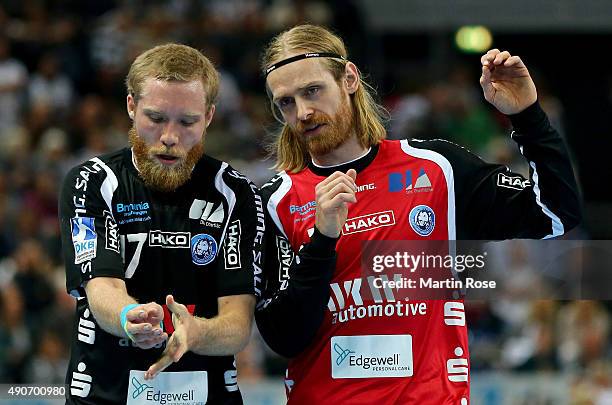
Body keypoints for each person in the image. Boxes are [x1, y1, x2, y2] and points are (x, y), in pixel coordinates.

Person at [254, 25, 581, 404]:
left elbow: (556, 213)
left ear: (348, 79)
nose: (304, 112)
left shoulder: (436, 168)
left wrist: (527, 117)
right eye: (286, 103)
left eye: (312, 91)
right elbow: (284, 338)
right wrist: (322, 240)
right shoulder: (274, 203)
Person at [59, 43, 264, 404]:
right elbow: (101, 286)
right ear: (131, 106)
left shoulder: (236, 193)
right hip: (105, 394)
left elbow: (238, 323)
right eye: (155, 118)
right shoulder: (92, 182)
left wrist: (196, 333)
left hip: (206, 394)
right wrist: (129, 316)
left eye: (187, 122)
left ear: (210, 117)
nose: (170, 137)